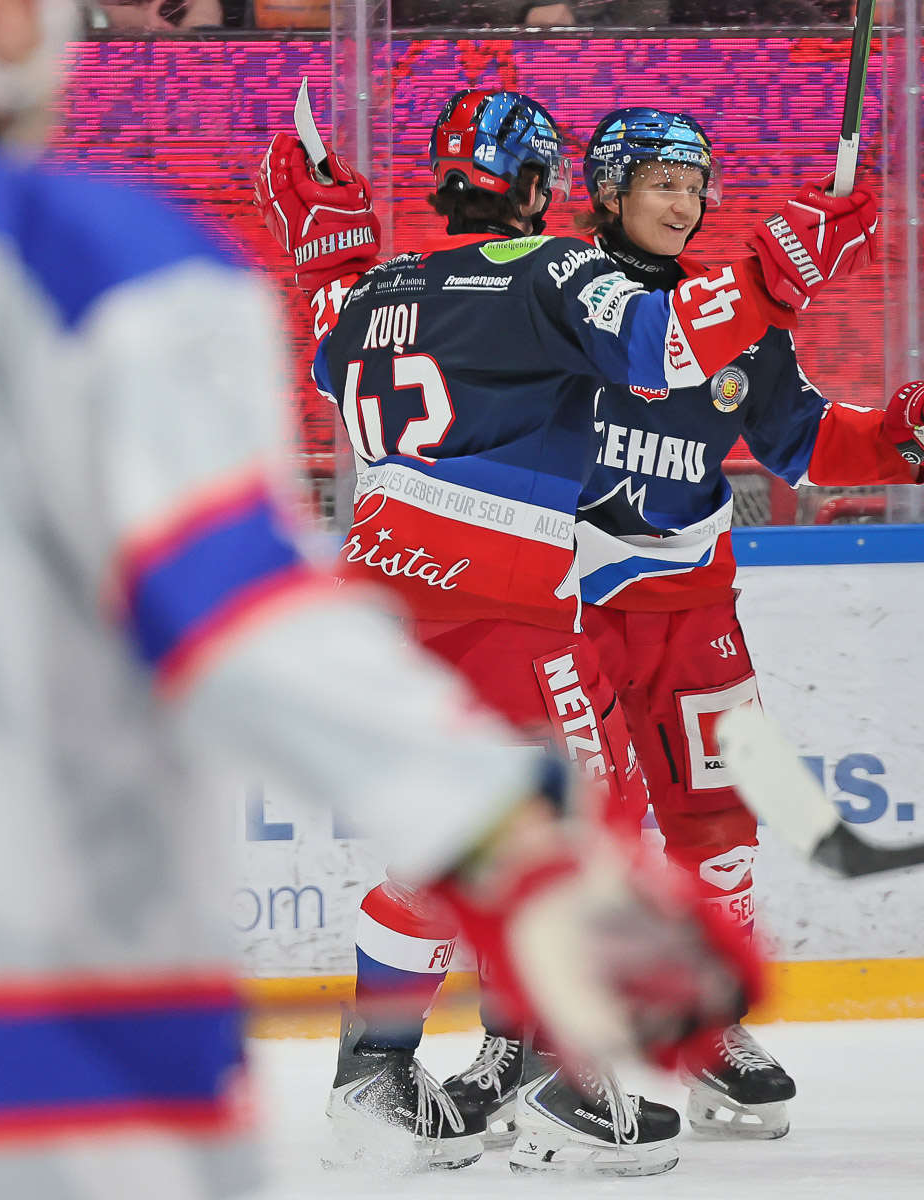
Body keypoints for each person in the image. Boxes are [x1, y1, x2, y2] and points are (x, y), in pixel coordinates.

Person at [0, 7, 759, 1198]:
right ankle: (543, 1075)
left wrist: (334, 272)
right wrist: (505, 839)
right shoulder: (87, 254)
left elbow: (353, 353)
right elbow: (233, 614)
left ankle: (381, 1066)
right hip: (49, 1022)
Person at [255, 86, 878, 1175]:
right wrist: (776, 272)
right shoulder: (548, 269)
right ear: (543, 183)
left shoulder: (378, 288)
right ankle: (567, 1092)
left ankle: (373, 1078)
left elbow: (327, 332)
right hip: (500, 601)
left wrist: (324, 249)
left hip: (384, 599)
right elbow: (663, 345)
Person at [428, 107, 924, 1146]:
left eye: (696, 187)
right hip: (564, 605)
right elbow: (635, 352)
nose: (684, 204)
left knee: (718, 823)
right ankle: (520, 1043)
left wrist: (903, 437)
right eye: (662, 184)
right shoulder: (557, 291)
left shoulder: (737, 319)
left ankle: (706, 1027)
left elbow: (805, 440)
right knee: (558, 838)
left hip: (693, 610)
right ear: (605, 193)